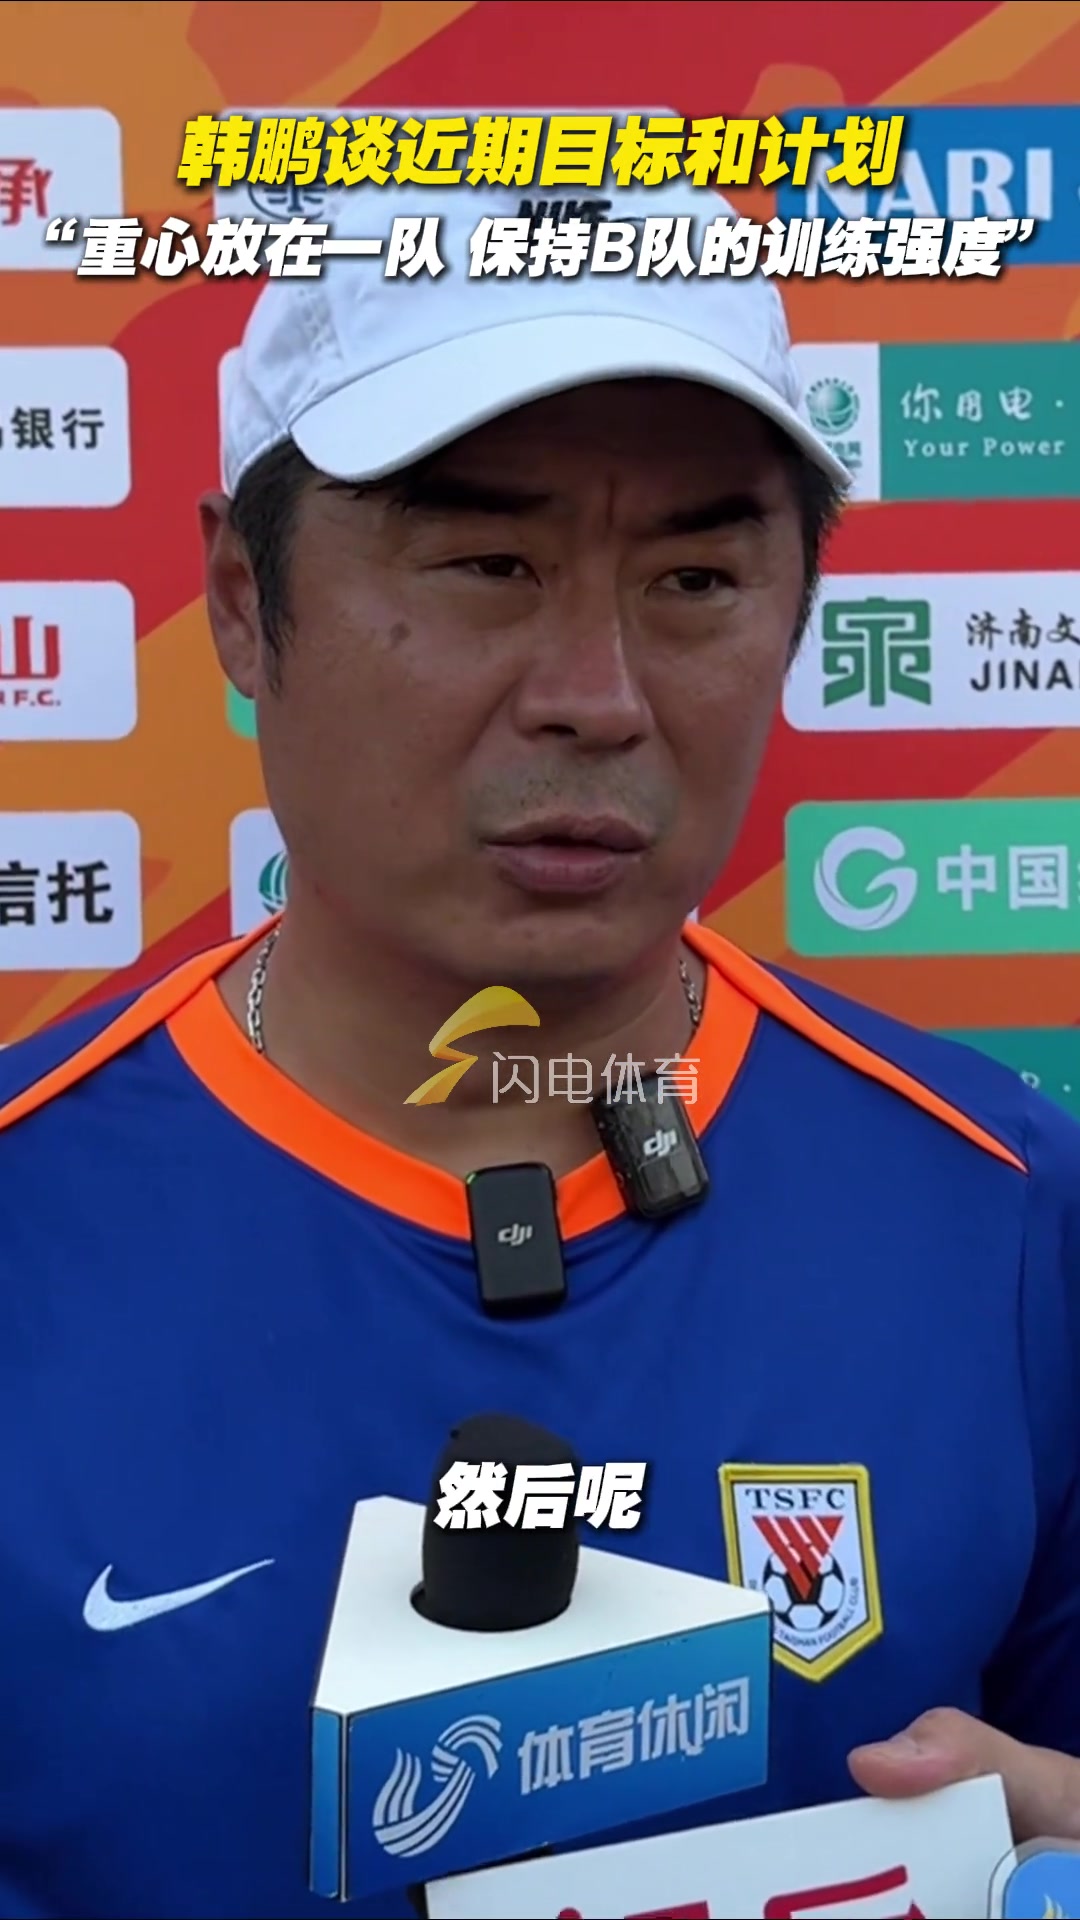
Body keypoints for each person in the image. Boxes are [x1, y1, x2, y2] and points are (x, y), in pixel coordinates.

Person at [1, 174, 1078, 1920]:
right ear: (242, 600)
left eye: (697, 577)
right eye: (490, 565)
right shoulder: (33, 1211)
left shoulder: (1006, 1212)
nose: (598, 694)